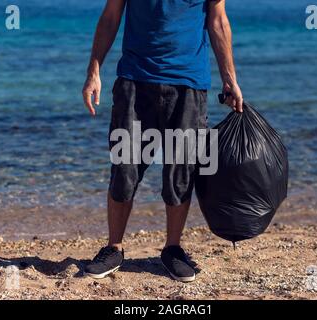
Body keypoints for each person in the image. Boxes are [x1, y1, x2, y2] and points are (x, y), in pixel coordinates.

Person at [82, 0, 243, 282]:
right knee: (124, 167)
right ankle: (114, 247)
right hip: (135, 79)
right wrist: (94, 71)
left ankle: (172, 248)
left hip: (188, 84)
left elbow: (218, 21)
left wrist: (229, 78)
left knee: (181, 172)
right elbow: (110, 16)